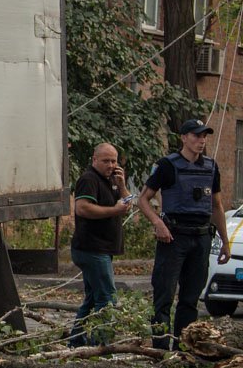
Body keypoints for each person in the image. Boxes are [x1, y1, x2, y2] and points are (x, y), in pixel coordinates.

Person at [137, 119, 232, 350]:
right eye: (196, 136)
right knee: (164, 297)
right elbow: (143, 199)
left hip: (201, 237)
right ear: (183, 137)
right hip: (173, 237)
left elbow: (217, 206)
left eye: (204, 136)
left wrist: (225, 242)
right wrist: (158, 223)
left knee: (190, 299)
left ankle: (184, 350)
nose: (201, 141)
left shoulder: (211, 166)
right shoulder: (168, 165)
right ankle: (160, 351)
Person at [67, 143, 131, 347]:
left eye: (114, 161)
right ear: (94, 160)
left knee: (93, 297)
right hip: (91, 248)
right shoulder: (88, 180)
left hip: (103, 248)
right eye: (106, 161)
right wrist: (114, 210)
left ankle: (76, 341)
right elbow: (82, 208)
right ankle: (101, 345)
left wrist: (121, 186)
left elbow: (128, 204)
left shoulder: (112, 180)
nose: (111, 165)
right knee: (107, 299)